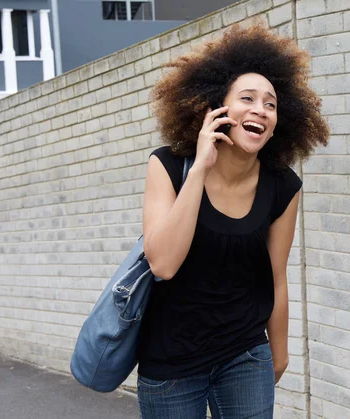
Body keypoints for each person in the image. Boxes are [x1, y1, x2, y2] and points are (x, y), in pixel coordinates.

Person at [136, 23, 329, 418]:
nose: (260, 109)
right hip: (171, 363)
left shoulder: (282, 186)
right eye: (247, 98)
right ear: (215, 107)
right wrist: (199, 171)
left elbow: (276, 276)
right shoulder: (169, 166)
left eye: (271, 103)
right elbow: (163, 263)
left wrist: (279, 353)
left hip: (245, 355)